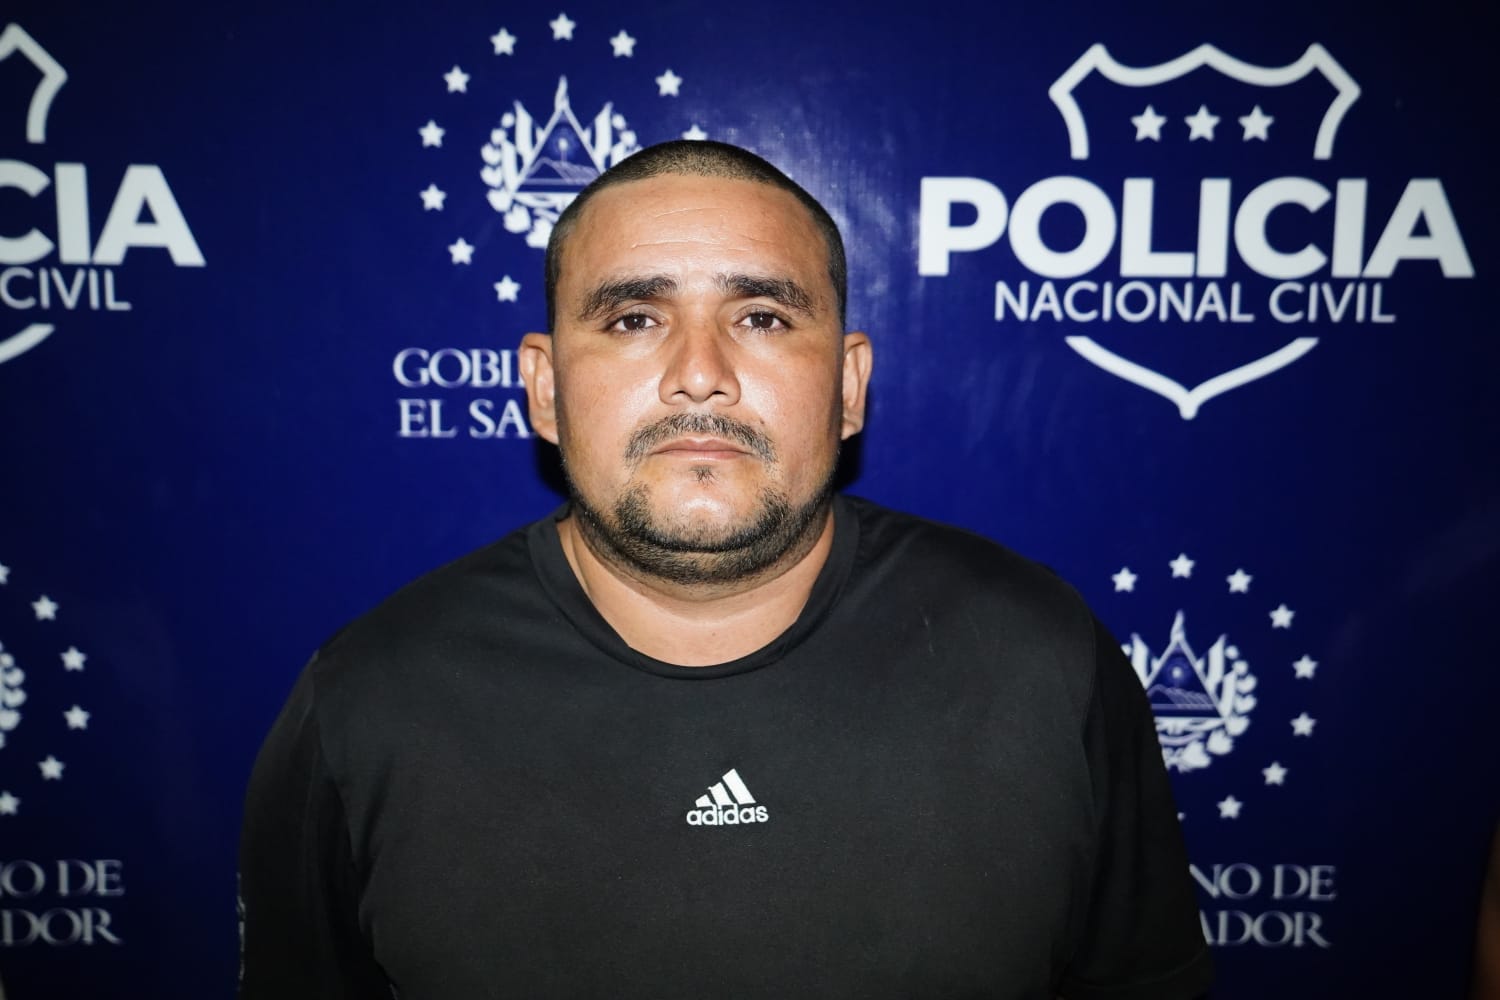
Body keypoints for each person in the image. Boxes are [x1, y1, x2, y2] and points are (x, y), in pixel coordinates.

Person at [238, 139, 1212, 999]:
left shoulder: (1042, 658)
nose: (699, 373)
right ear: (543, 387)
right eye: (633, 318)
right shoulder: (367, 701)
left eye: (762, 317)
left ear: (849, 386)